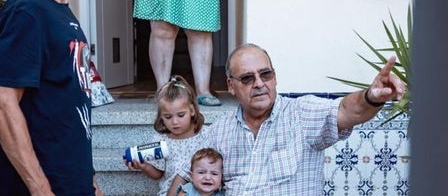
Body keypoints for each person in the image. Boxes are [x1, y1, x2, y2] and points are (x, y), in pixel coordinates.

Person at [169, 43, 406, 195]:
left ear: (274, 77)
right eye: (248, 79)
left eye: (265, 74)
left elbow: (347, 111)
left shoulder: (302, 114)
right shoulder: (219, 132)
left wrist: (371, 96)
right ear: (231, 86)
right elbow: (184, 174)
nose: (259, 84)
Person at [0, 0, 103, 196]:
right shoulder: (27, 11)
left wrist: (88, 181)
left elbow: (66, 104)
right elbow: (3, 105)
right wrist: (40, 189)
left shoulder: (59, 12)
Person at [124, 75, 209, 195]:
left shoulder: (205, 135)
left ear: (192, 110)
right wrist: (145, 167)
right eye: (168, 117)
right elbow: (158, 173)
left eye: (180, 115)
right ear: (161, 116)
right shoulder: (161, 141)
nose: (175, 122)